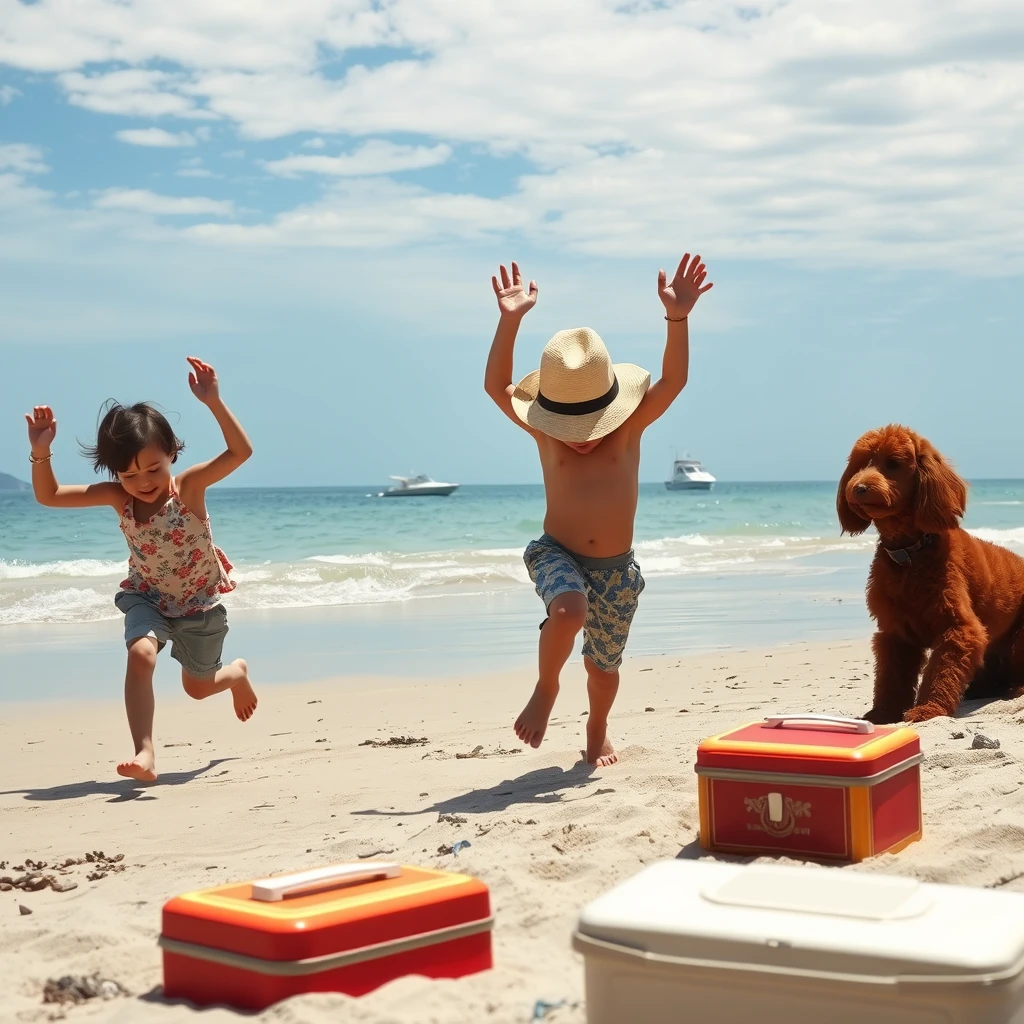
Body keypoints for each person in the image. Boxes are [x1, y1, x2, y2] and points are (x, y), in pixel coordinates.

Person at [484, 255, 712, 766]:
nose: (581, 438)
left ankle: (598, 726)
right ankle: (546, 689)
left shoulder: (629, 427)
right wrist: (509, 320)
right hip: (556, 552)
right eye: (570, 425)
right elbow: (495, 386)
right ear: (549, 417)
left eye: (591, 423)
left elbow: (673, 380)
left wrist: (678, 319)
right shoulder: (543, 433)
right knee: (568, 611)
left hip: (617, 572)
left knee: (603, 668)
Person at [24, 357, 256, 782]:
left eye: (153, 467)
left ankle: (237, 674)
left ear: (171, 453)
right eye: (128, 474)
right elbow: (51, 495)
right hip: (147, 596)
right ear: (115, 472)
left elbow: (241, 452)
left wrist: (214, 402)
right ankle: (144, 752)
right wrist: (41, 451)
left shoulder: (189, 487)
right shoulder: (119, 498)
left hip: (199, 605)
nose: (143, 481)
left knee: (199, 687)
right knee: (140, 654)